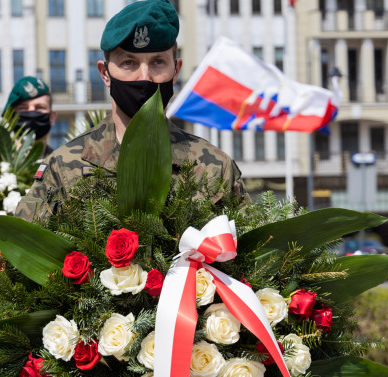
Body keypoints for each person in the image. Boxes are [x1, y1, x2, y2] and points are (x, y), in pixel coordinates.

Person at [15, 0, 246, 222]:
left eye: (158, 62)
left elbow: (254, 253)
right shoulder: (63, 167)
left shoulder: (215, 167)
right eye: (129, 63)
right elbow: (24, 252)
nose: (144, 77)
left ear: (176, 71)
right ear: (105, 73)